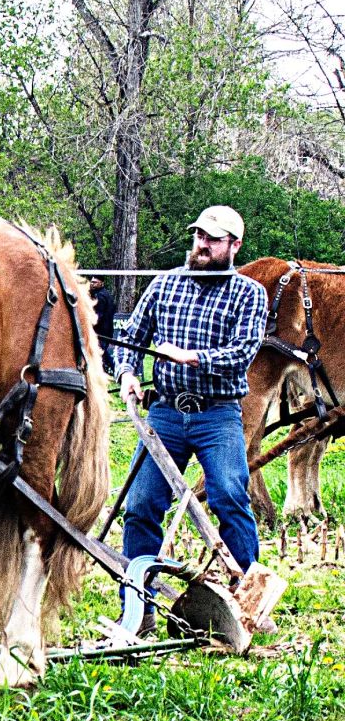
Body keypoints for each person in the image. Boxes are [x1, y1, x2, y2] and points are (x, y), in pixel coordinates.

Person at [112, 205, 269, 634]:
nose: (201, 245)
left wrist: (191, 356)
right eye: (198, 235)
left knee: (229, 500)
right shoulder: (164, 285)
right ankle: (137, 606)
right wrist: (127, 373)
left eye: (212, 239)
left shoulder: (249, 293)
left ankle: (248, 605)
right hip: (164, 413)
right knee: (141, 505)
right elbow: (128, 337)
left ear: (234, 246)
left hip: (217, 415)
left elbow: (241, 354)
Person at [89, 276, 116, 375]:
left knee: (102, 352)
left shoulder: (100, 297)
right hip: (107, 330)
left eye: (95, 282)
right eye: (91, 282)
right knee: (102, 353)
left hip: (100, 331)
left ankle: (116, 370)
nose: (92, 284)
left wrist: (91, 325)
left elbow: (98, 316)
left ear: (101, 283)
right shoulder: (108, 295)